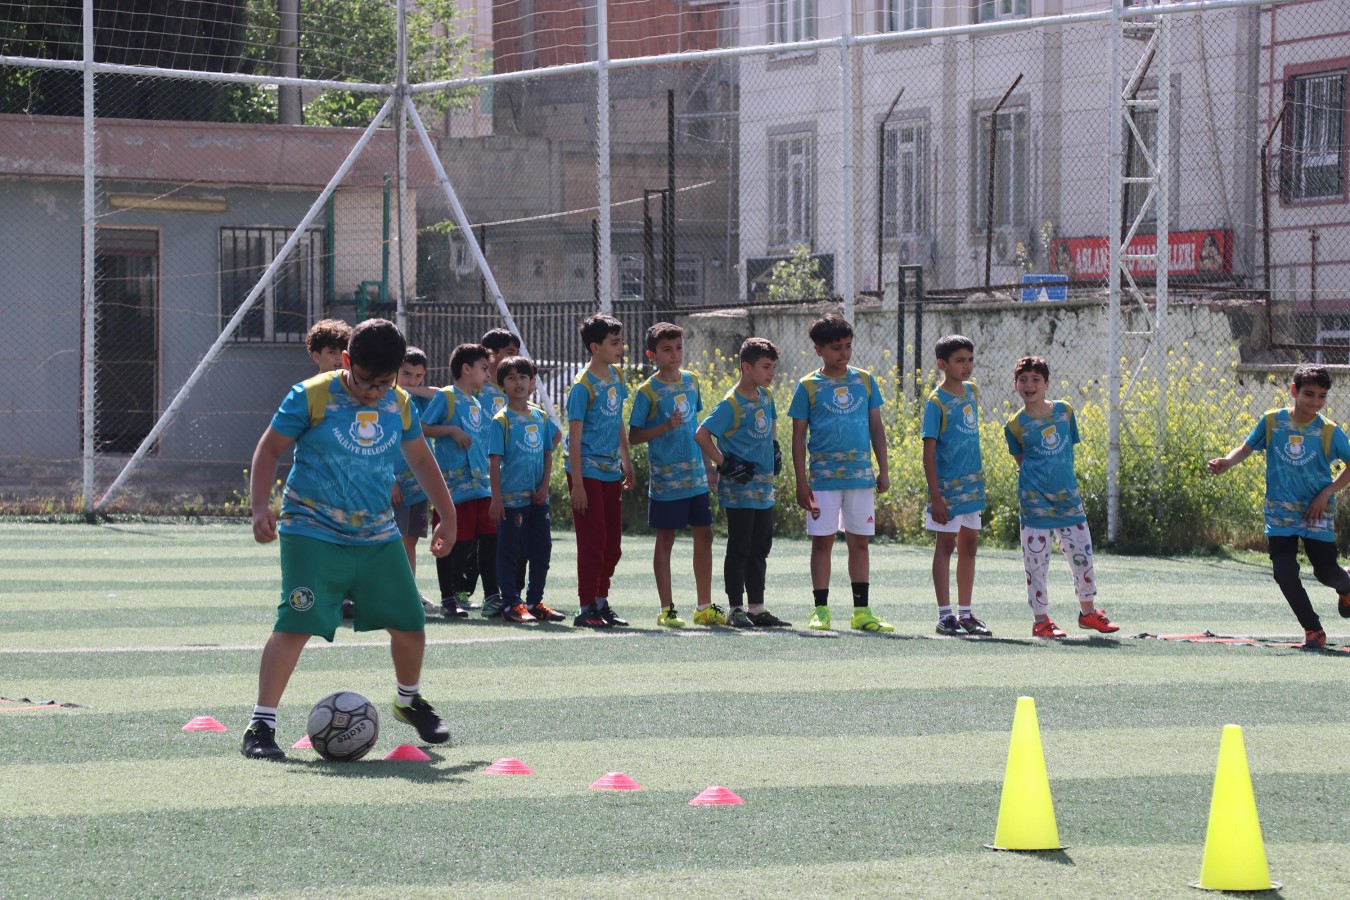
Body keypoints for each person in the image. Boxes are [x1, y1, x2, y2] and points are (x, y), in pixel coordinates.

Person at [242, 318, 456, 760]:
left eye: (383, 382)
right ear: (345, 362)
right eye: (363, 381)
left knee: (411, 622)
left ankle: (408, 700)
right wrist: (261, 506)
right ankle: (260, 726)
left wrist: (447, 514)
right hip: (311, 532)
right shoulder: (311, 395)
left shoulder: (399, 404)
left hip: (377, 534)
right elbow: (269, 449)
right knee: (295, 624)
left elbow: (420, 458)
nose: (372, 391)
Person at [1208, 363, 1350, 649]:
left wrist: (1327, 493)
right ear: (1294, 391)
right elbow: (1247, 448)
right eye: (1309, 394)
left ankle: (1346, 586)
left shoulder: (1329, 431)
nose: (1315, 402)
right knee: (1283, 573)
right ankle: (1314, 630)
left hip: (1316, 512)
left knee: (1325, 573)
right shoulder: (1272, 422)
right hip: (1280, 512)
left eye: (1322, 396)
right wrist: (1227, 460)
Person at [789, 313, 893, 633]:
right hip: (822, 479)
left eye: (848, 346)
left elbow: (877, 428)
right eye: (836, 348)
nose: (844, 354)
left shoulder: (864, 380)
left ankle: (861, 611)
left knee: (859, 544)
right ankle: (820, 610)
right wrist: (801, 481)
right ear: (818, 349)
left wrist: (883, 469)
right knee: (822, 544)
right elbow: (797, 437)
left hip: (860, 478)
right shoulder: (807, 386)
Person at [1004, 355, 1120, 639]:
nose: (1029, 385)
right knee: (1036, 564)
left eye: (1036, 380)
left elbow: (1067, 452)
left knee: (1082, 556)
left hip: (1069, 502)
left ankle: (1088, 612)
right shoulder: (1014, 425)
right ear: (1015, 384)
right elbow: (1022, 460)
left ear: (1047, 383)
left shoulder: (1064, 412)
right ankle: (1041, 620)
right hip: (1034, 505)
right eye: (1023, 380)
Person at [695, 337, 792, 628]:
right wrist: (724, 463)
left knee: (761, 545)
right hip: (740, 488)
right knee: (740, 546)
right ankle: (735, 608)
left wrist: (774, 446)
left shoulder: (766, 396)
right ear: (746, 367)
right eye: (766, 367)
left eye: (774, 366)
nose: (771, 372)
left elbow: (771, 421)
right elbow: (701, 434)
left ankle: (757, 608)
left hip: (764, 487)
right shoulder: (731, 403)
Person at [627, 323, 717, 628]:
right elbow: (634, 435)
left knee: (704, 535)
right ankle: (666, 609)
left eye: (678, 347)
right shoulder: (647, 391)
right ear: (652, 354)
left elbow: (698, 428)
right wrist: (664, 427)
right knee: (666, 538)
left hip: (696, 478)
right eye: (667, 349)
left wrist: (709, 466)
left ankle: (704, 606)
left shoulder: (692, 382)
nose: (675, 354)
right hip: (666, 481)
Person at [566, 313, 635, 629]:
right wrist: (577, 484)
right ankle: (586, 606)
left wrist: (627, 461)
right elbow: (575, 438)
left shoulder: (617, 377)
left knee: (613, 544)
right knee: (593, 541)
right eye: (614, 342)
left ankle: (601, 602)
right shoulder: (582, 386)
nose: (621, 347)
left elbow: (617, 419)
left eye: (620, 341)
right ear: (595, 347)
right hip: (587, 472)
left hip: (610, 471)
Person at [922, 335, 992, 637]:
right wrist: (936, 496)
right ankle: (945, 615)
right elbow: (928, 452)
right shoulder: (936, 402)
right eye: (960, 360)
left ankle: (966, 614)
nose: (967, 366)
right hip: (947, 492)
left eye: (970, 360)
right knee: (946, 546)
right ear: (943, 364)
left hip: (971, 488)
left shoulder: (972, 392)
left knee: (970, 546)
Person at [421, 343, 497, 620]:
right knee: (454, 542)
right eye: (484, 368)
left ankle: (493, 596)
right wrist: (451, 430)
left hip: (480, 485)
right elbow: (421, 428)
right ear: (466, 369)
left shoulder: (476, 402)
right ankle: (449, 598)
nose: (488, 375)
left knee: (488, 540)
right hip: (453, 488)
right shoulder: (447, 396)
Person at [489, 355, 565, 624]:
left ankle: (535, 601)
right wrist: (496, 498)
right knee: (509, 551)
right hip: (511, 500)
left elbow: (548, 453)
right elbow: (495, 461)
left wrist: (544, 485)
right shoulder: (502, 420)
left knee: (541, 549)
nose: (518, 382)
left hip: (537, 498)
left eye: (523, 377)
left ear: (533, 382)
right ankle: (511, 603)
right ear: (502, 386)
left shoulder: (540, 416)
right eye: (510, 377)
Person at [391, 347, 437, 614]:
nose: (412, 380)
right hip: (394, 484)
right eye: (406, 374)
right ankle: (387, 592)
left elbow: (444, 395)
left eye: (418, 376)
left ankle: (408, 592)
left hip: (418, 487)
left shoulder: (417, 399)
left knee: (409, 541)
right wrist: (389, 480)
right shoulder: (388, 400)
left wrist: (413, 389)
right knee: (390, 541)